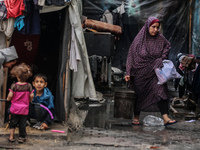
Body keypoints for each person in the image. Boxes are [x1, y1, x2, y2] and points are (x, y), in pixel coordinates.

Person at [125, 16, 177, 126]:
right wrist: (128, 72)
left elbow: (167, 45)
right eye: (153, 27)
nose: (155, 30)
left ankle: (166, 118)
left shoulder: (160, 38)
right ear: (148, 26)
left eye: (157, 27)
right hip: (140, 72)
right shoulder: (139, 40)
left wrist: (161, 58)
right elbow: (130, 56)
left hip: (155, 72)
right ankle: (136, 117)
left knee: (161, 91)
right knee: (139, 95)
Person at [6, 63, 34, 143]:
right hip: (24, 109)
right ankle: (21, 137)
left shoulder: (14, 86)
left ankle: (11, 137)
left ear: (17, 76)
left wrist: (8, 99)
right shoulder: (29, 86)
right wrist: (30, 100)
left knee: (12, 123)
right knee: (22, 123)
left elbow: (10, 96)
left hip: (14, 109)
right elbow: (31, 96)